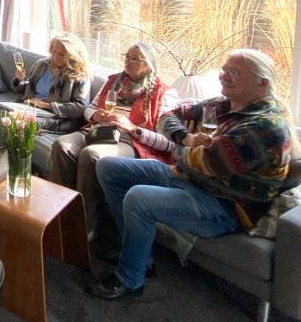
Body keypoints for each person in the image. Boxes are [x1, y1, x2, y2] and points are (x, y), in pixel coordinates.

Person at [88, 50, 297, 301]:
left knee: (138, 197)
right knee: (109, 167)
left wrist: (180, 149)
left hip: (226, 207)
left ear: (262, 83)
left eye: (234, 72)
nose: (223, 76)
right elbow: (169, 117)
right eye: (223, 69)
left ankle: (130, 280)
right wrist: (185, 137)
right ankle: (139, 257)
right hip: (190, 180)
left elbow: (204, 161)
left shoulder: (265, 127)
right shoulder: (222, 105)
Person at [49, 42, 178, 239]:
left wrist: (133, 129)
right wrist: (95, 116)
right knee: (62, 145)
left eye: (134, 58)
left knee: (90, 155)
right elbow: (89, 108)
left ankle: (84, 226)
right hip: (97, 131)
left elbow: (169, 143)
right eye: (126, 56)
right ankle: (58, 213)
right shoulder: (114, 82)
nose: (127, 61)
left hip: (128, 142)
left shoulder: (163, 93)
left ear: (149, 64)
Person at [13, 34, 91, 133]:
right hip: (31, 107)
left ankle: (15, 148)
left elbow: (80, 108)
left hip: (56, 117)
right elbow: (28, 92)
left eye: (62, 54)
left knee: (22, 121)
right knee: (4, 114)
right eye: (54, 51)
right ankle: (2, 148)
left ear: (73, 56)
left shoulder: (80, 75)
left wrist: (47, 105)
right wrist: (20, 79)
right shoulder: (41, 65)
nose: (56, 57)